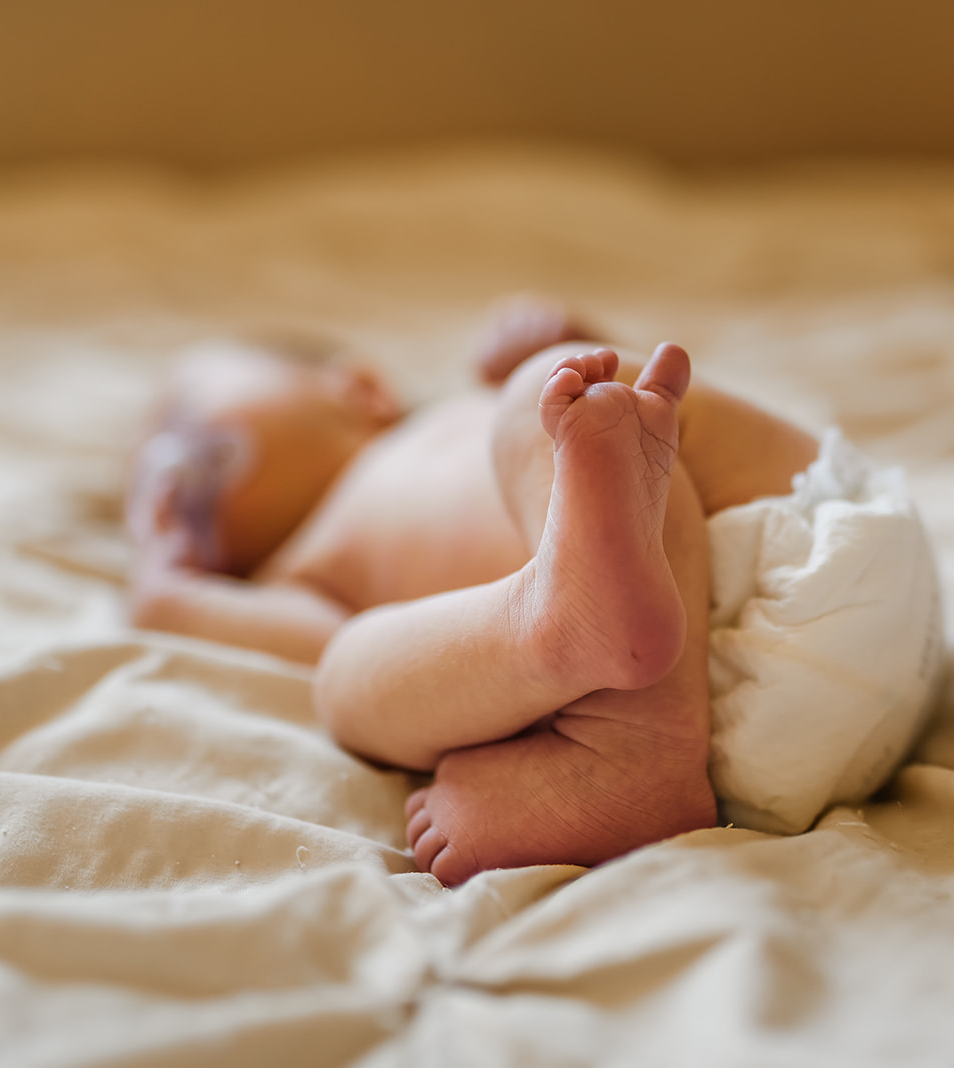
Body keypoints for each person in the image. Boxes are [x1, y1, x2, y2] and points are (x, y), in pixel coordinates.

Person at [127, 297, 833, 886]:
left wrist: (569, 347)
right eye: (151, 460)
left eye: (189, 415)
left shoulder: (467, 409)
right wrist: (167, 591)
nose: (170, 454)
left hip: (809, 539)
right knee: (345, 675)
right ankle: (606, 707)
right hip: (759, 693)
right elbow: (306, 645)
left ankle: (625, 720)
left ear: (361, 389)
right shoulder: (297, 577)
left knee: (564, 391)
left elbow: (641, 431)